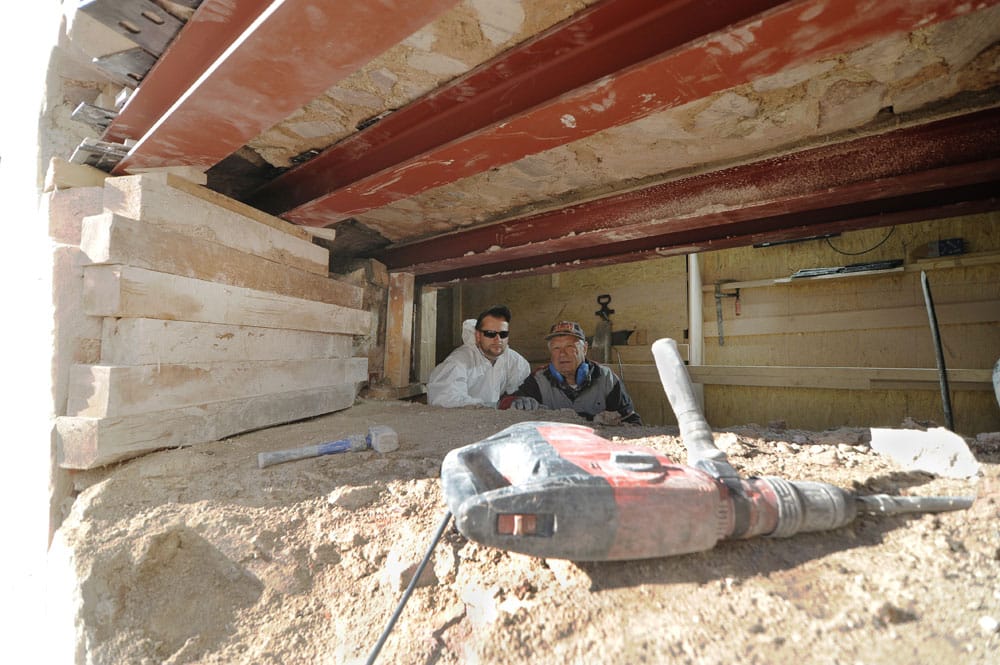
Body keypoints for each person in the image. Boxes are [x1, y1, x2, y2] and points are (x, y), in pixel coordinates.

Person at [499, 320, 641, 424]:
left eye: (570, 347)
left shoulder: (606, 378)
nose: (562, 354)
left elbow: (632, 421)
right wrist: (515, 402)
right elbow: (505, 404)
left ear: (584, 349)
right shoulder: (538, 379)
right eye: (556, 348)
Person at [426, 305, 530, 408]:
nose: (498, 339)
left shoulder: (514, 360)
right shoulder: (459, 362)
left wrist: (518, 399)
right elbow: (445, 398)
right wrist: (497, 405)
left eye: (503, 334)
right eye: (490, 333)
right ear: (478, 336)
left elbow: (522, 390)